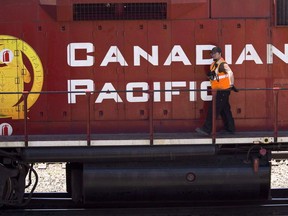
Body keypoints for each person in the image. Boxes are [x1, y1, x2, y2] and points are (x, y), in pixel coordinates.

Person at [195, 46, 237, 136]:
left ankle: (206, 129)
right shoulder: (213, 65)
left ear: (219, 54)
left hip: (223, 90)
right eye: (212, 53)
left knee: (213, 110)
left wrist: (231, 85)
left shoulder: (222, 64)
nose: (213, 55)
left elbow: (230, 74)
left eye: (215, 53)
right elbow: (216, 78)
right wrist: (211, 77)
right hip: (219, 90)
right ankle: (230, 128)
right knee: (225, 110)